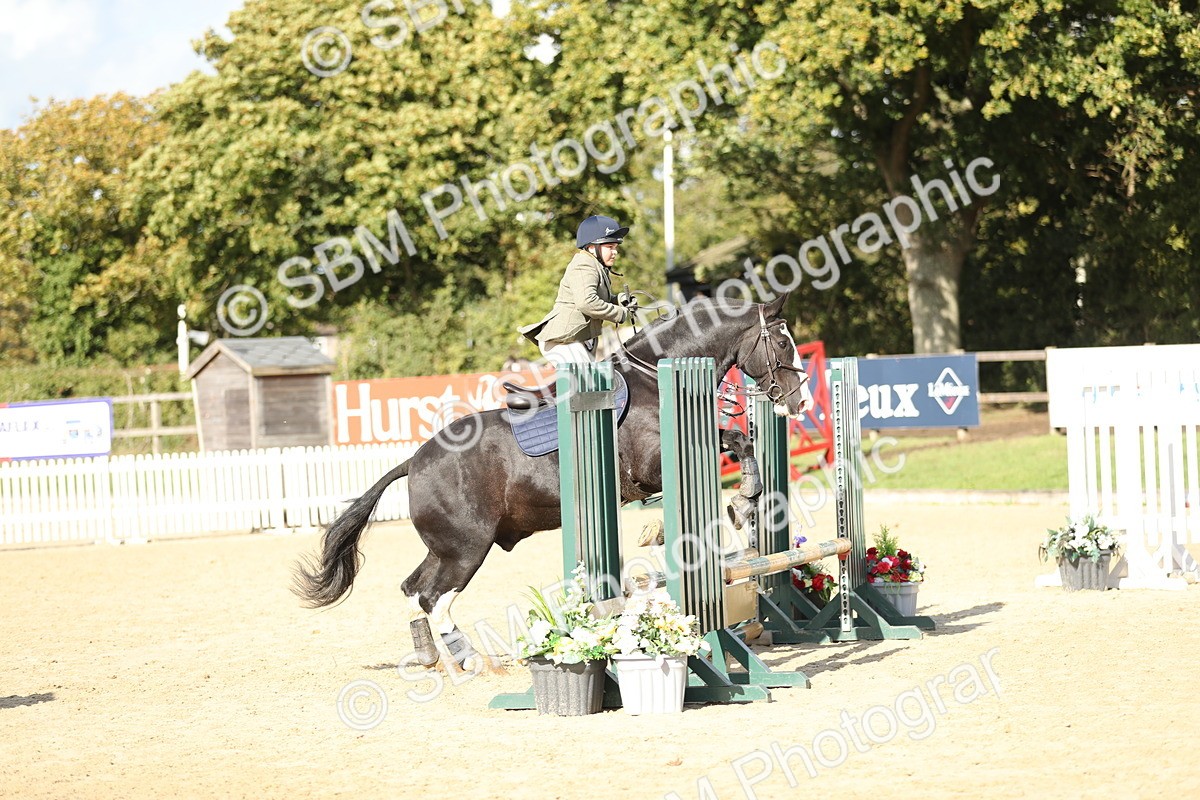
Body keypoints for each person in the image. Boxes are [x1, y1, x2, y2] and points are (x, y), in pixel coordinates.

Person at [519, 214, 638, 366]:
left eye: (615, 247)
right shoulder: (584, 264)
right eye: (609, 247)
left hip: (579, 340)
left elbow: (598, 299)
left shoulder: (597, 265)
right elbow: (587, 302)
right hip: (562, 341)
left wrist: (619, 300)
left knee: (593, 386)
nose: (615, 252)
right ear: (591, 247)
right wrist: (620, 313)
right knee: (588, 386)